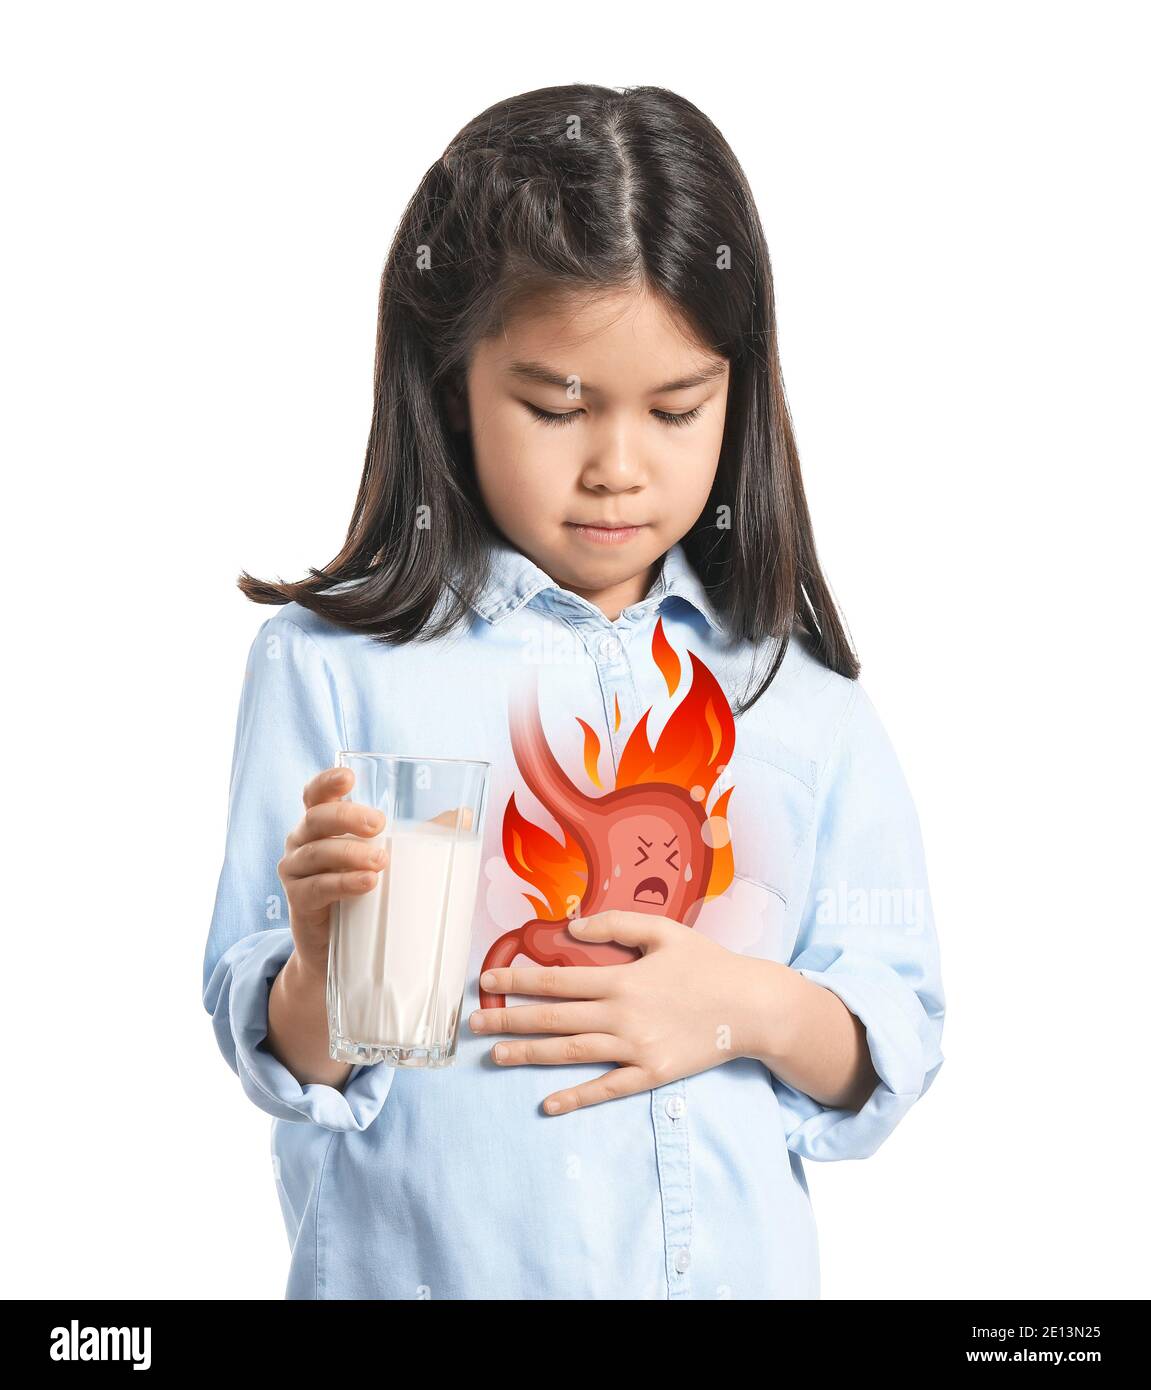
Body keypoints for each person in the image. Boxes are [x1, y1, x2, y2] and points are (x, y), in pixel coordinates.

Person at [203, 83, 945, 1300]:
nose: (617, 467)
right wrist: (320, 972)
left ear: (737, 392)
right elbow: (291, 1056)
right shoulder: (331, 669)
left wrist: (738, 1007)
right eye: (555, 406)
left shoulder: (790, 687)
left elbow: (890, 1037)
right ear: (452, 385)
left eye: (676, 408)